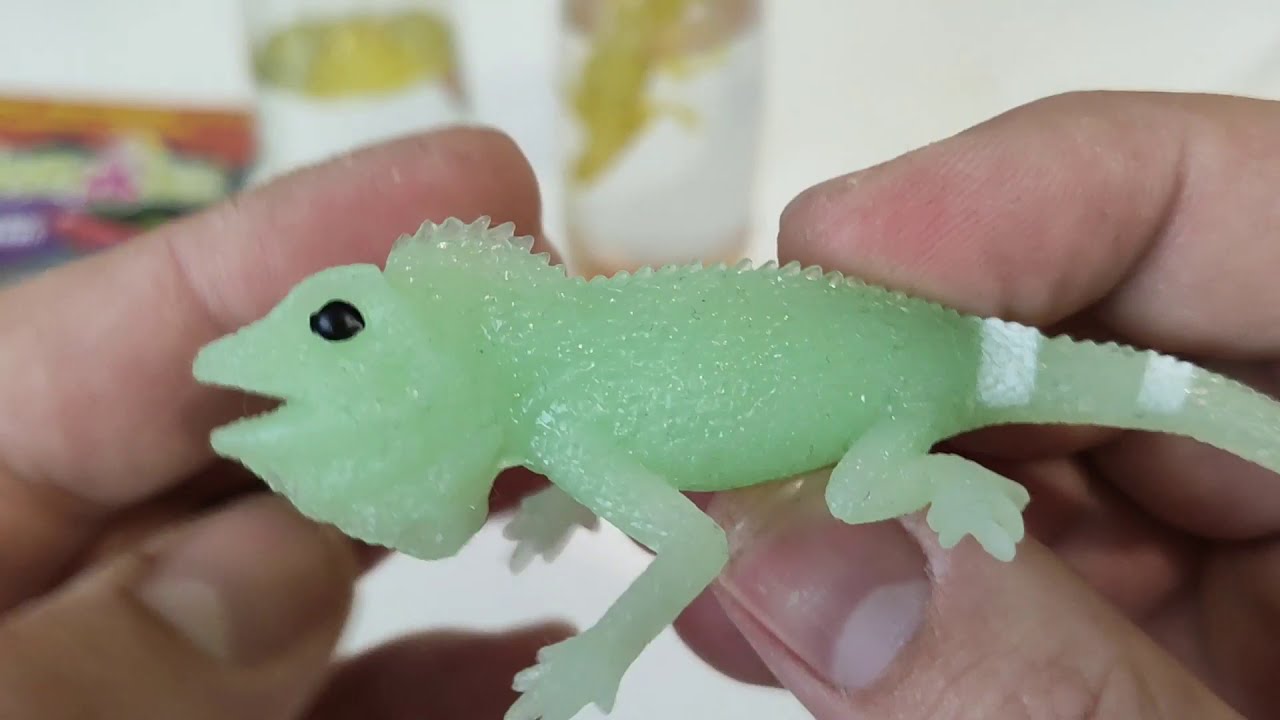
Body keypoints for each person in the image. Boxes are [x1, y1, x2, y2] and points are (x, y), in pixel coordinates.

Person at [0, 90, 1274, 719]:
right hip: (902, 352)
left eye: (340, 326)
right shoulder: (551, 401)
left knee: (861, 496)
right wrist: (560, 503)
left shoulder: (558, 411)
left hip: (913, 382)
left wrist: (602, 655)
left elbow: (700, 547)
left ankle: (948, 474)